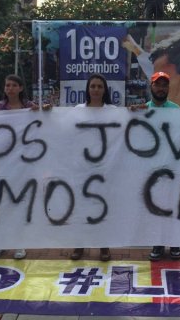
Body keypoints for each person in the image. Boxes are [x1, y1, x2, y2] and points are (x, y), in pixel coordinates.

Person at [130, 71, 180, 261]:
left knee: (174, 205)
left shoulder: (176, 109)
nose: (161, 88)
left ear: (168, 88)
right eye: (158, 85)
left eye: (164, 85)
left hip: (173, 168)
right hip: (150, 168)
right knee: (155, 208)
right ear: (151, 87)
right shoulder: (141, 109)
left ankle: (174, 243)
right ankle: (157, 244)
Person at [0, 74, 38, 261]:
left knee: (20, 202)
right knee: (0, 202)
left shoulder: (30, 107)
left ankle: (19, 243)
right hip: (2, 160)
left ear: (20, 88)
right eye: (7, 85)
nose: (9, 88)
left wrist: (46, 111)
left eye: (13, 85)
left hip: (23, 162)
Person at [70, 74, 116, 262]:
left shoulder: (113, 111)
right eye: (93, 86)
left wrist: (136, 110)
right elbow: (63, 127)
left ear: (104, 90)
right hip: (82, 167)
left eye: (99, 86)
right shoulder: (77, 110)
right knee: (81, 207)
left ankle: (104, 246)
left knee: (102, 207)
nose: (96, 90)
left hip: (105, 168)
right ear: (87, 89)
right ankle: (79, 245)